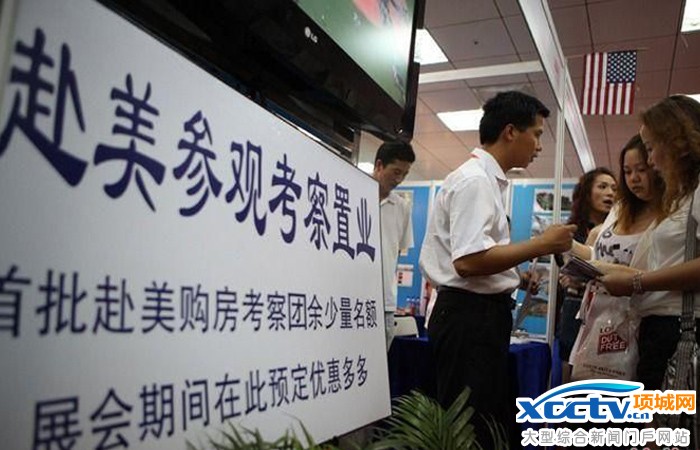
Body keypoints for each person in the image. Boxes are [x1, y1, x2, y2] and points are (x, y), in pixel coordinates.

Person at [419, 90, 575, 447]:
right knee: (469, 428)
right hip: (468, 317)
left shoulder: (486, 181)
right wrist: (541, 244)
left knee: (484, 420)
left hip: (476, 315)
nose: (539, 145)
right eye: (536, 134)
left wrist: (514, 278)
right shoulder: (475, 181)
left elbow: (474, 258)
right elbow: (468, 262)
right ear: (510, 131)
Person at [601, 95, 700, 394]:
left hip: (681, 329)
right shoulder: (682, 197)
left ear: (678, 143)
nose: (652, 161)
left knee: (668, 419)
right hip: (662, 329)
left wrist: (638, 283)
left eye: (652, 148)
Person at [568, 135, 664, 381]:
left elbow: (660, 272)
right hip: (597, 314)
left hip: (640, 321)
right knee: (585, 389)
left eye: (641, 169)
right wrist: (570, 249)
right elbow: (599, 254)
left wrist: (605, 269)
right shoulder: (619, 209)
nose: (634, 178)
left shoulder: (668, 216)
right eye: (627, 171)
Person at [556, 167, 617, 383]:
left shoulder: (621, 230)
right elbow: (566, 270)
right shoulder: (571, 232)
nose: (610, 193)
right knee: (570, 371)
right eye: (603, 186)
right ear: (587, 193)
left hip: (610, 310)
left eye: (614, 188)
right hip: (575, 308)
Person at [373, 140, 415, 351]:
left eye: (404, 174)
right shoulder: (352, 194)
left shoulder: (402, 207)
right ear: (379, 165)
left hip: (385, 303)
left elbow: (397, 251)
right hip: (352, 296)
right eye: (396, 172)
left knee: (379, 362)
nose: (399, 180)